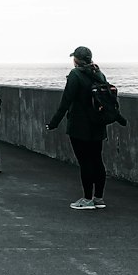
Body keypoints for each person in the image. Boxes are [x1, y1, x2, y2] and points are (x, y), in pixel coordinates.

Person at [46, 45, 111, 209]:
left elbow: (65, 102)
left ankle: (87, 199)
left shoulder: (75, 75)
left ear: (76, 60)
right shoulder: (99, 73)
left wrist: (53, 123)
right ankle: (98, 198)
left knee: (85, 161)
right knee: (97, 160)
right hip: (98, 124)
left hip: (80, 126)